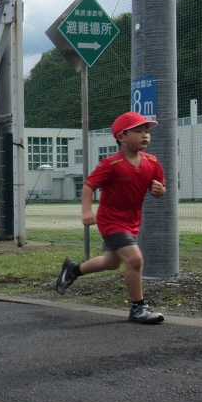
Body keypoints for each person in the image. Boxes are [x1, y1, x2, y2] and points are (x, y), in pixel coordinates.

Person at [55, 111, 167, 324]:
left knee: (111, 262)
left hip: (132, 221)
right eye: (138, 131)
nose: (145, 135)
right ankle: (138, 308)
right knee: (134, 259)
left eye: (147, 131)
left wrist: (160, 190)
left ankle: (72, 270)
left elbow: (160, 189)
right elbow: (89, 186)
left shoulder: (152, 162)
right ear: (121, 137)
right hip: (111, 221)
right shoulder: (111, 164)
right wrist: (87, 211)